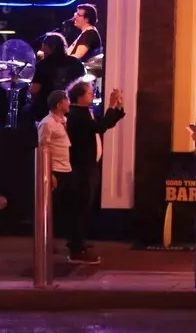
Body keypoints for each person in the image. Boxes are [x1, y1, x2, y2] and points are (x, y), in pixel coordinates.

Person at [61, 80, 125, 264]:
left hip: (88, 166)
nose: (92, 95)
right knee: (80, 207)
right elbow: (101, 126)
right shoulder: (77, 115)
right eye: (89, 93)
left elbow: (102, 124)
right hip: (81, 167)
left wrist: (116, 107)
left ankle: (78, 242)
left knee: (83, 206)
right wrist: (113, 106)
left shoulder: (83, 113)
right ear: (80, 96)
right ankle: (76, 249)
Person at [35, 88, 72, 259]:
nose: (69, 103)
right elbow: (44, 148)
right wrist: (49, 174)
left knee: (64, 209)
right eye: (66, 100)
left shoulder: (63, 120)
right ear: (59, 104)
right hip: (55, 171)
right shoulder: (47, 123)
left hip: (66, 169)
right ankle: (48, 242)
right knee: (52, 209)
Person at [32, 32, 84, 109]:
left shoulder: (42, 65)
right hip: (72, 109)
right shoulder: (76, 63)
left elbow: (34, 90)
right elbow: (82, 87)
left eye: (44, 46)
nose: (42, 49)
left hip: (47, 109)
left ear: (51, 48)